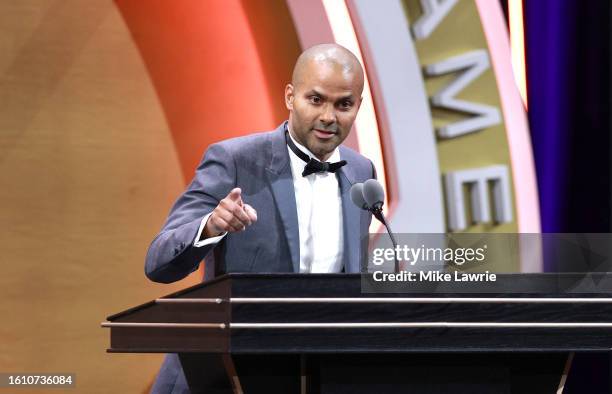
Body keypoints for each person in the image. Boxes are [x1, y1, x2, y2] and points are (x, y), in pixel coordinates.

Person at [146, 43, 376, 393]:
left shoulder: (361, 172)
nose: (329, 116)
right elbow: (159, 262)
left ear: (358, 106)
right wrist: (210, 226)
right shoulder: (234, 160)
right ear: (290, 96)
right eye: (315, 100)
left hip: (311, 374)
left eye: (343, 104)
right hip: (223, 374)